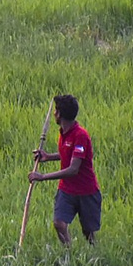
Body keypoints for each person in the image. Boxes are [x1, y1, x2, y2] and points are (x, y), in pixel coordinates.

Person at [29, 94, 101, 246]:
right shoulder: (63, 132)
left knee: (88, 231)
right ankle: (69, 253)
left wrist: (42, 177)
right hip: (66, 190)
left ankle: (94, 255)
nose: (54, 113)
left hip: (86, 191)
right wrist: (47, 157)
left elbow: (73, 169)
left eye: (56, 110)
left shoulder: (80, 135)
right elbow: (67, 154)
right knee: (59, 223)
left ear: (61, 114)